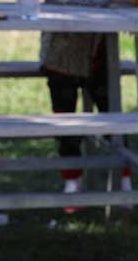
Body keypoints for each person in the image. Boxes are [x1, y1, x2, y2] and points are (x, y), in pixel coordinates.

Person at [40, 32, 131, 211]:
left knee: (113, 117)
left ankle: (124, 181)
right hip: (61, 54)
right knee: (65, 120)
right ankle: (72, 180)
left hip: (100, 54)